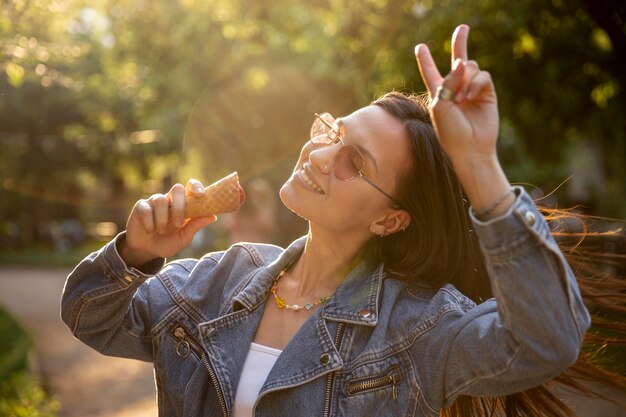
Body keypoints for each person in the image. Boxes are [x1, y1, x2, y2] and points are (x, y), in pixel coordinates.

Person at [61, 25, 621, 417]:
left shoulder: (417, 329)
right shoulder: (215, 282)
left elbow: (546, 340)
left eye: (355, 161)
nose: (320, 155)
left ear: (390, 220)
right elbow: (92, 317)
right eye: (332, 132)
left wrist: (477, 163)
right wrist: (134, 254)